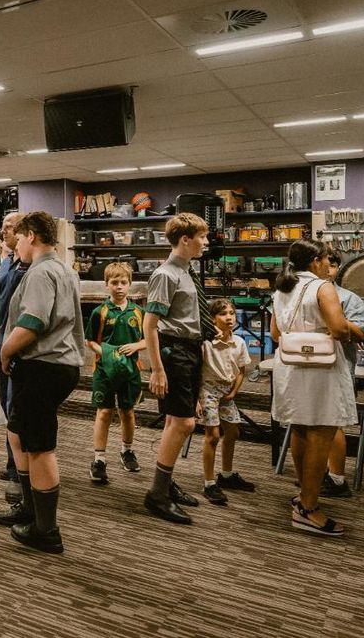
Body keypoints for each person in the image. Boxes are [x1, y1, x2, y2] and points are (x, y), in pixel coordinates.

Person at [0, 211, 83, 555]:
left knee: (41, 447)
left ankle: (46, 530)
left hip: (43, 365)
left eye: (18, 237)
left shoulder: (41, 272)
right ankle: (29, 510)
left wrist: (5, 352)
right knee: (19, 434)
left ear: (31, 236)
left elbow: (32, 322)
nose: (15, 244)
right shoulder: (62, 268)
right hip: (55, 365)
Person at [270, 238, 357, 537]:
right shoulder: (322, 287)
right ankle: (308, 508)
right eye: (325, 259)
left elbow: (274, 332)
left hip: (290, 367)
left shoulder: (282, 288)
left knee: (301, 429)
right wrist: (355, 329)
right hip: (319, 369)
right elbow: (340, 329)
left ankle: (304, 494)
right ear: (315, 261)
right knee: (322, 432)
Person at [140, 213, 212, 525]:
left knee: (175, 420)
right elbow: (150, 325)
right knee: (184, 423)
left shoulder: (187, 271)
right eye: (202, 237)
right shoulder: (166, 275)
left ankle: (165, 485)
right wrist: (157, 369)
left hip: (191, 349)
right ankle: (157, 494)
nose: (205, 243)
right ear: (185, 239)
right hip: (175, 352)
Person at [83, 261, 143, 485]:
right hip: (104, 371)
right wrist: (108, 354)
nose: (119, 287)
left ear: (130, 285)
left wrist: (137, 347)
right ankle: (99, 459)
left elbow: (149, 339)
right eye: (114, 283)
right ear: (106, 285)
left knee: (127, 412)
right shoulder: (100, 311)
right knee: (104, 413)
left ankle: (127, 450)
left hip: (130, 371)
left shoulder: (138, 311)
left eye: (123, 282)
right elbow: (90, 341)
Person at [322, 252, 364, 498]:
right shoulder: (306, 294)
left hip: (338, 367)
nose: (327, 269)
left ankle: (337, 479)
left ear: (338, 269)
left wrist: (336, 317)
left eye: (332, 265)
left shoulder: (350, 299)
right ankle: (316, 473)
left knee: (333, 423)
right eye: (323, 264)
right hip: (310, 368)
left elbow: (361, 334)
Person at [197, 298, 253, 505]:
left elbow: (242, 370)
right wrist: (198, 400)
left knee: (233, 431)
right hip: (208, 391)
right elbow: (195, 372)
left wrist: (233, 392)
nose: (229, 317)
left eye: (231, 313)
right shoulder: (206, 343)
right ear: (212, 319)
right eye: (223, 314)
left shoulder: (239, 342)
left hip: (226, 393)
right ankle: (209, 483)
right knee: (212, 436)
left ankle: (227, 475)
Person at [0, 213, 26, 486]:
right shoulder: (8, 262)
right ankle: (11, 460)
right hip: (3, 336)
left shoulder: (28, 265)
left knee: (16, 405)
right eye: (2, 228)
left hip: (19, 341)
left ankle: (18, 468)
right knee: (6, 403)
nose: (3, 232)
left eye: (9, 228)